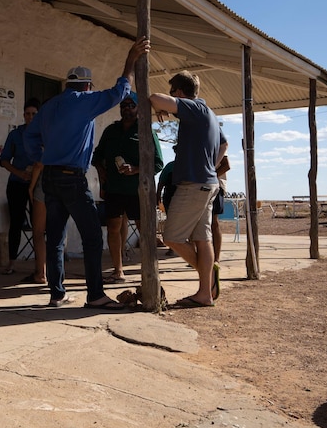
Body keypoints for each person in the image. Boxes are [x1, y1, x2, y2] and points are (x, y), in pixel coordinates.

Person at [23, 37, 150, 309]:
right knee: (92, 236)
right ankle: (95, 295)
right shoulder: (85, 100)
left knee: (55, 237)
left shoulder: (49, 106)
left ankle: (57, 294)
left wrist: (41, 158)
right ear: (87, 85)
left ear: (68, 83)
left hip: (50, 178)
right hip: (72, 178)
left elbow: (29, 137)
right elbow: (119, 91)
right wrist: (130, 59)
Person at [150, 71, 227, 308]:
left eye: (173, 92)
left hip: (194, 185)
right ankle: (205, 293)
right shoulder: (208, 114)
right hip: (207, 183)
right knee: (203, 239)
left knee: (171, 237)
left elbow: (154, 97)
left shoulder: (195, 109)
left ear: (179, 93)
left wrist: (165, 107)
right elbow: (224, 143)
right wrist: (210, 166)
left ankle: (208, 278)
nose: (172, 95)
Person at [93, 91, 163, 283]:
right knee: (114, 228)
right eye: (123, 105)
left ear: (138, 107)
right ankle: (118, 270)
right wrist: (102, 174)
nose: (126, 108)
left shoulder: (146, 131)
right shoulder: (110, 131)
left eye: (131, 105)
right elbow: (96, 158)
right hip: (114, 189)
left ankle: (149, 270)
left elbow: (158, 163)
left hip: (137, 190)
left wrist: (136, 169)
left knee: (144, 229)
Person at [0, 99, 40, 276]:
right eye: (27, 114)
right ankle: (12, 262)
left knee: (39, 224)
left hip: (38, 185)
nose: (30, 117)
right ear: (23, 115)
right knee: (16, 222)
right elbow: (4, 160)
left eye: (34, 114)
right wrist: (19, 173)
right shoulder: (15, 135)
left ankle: (41, 265)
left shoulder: (43, 134)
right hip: (17, 183)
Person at [210, 137, 229, 298]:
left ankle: (216, 258)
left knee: (214, 223)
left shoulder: (217, 145)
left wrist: (211, 175)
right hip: (202, 187)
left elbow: (226, 165)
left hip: (216, 187)